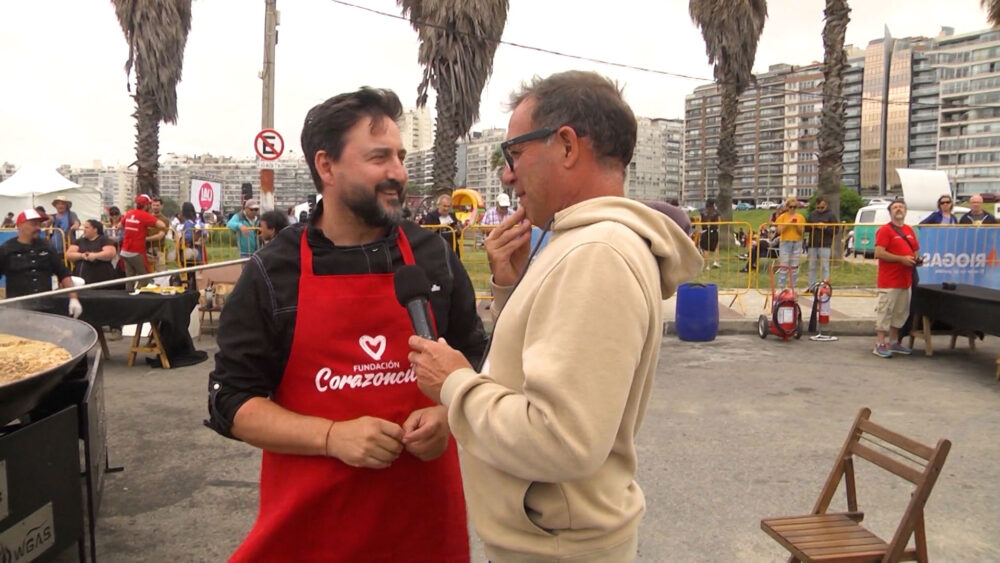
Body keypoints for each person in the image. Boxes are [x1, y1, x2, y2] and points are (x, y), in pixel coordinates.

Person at [407, 70, 703, 562]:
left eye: (514, 153)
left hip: (555, 548)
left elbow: (561, 439)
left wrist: (454, 383)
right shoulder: (580, 242)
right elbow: (544, 368)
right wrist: (512, 289)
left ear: (566, 146)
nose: (507, 175)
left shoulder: (597, 253)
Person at [207, 87, 487, 562]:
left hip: (423, 530)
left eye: (400, 157)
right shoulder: (274, 272)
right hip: (313, 534)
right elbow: (230, 401)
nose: (398, 172)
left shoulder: (432, 256)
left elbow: (476, 356)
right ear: (327, 166)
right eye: (379, 157)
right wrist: (331, 437)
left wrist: (448, 415)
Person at [0, 208, 82, 318]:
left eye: (39, 224)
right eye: (34, 224)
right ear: (20, 226)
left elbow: (63, 273)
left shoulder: (47, 247)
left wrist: (73, 298)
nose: (38, 228)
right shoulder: (6, 249)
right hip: (17, 309)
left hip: (45, 307)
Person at [874, 199, 919, 358]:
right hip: (889, 281)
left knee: (900, 313)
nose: (898, 209)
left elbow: (915, 250)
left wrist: (916, 260)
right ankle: (880, 344)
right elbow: (879, 253)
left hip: (905, 280)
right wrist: (901, 259)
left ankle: (893, 342)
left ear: (905, 211)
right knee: (885, 312)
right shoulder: (885, 230)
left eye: (901, 207)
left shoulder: (909, 230)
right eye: (895, 207)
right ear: (890, 212)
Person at [66, 219, 123, 339]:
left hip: (103, 276)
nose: (84, 229)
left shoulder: (104, 240)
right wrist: (81, 255)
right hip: (83, 277)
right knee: (86, 303)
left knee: (108, 302)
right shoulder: (80, 241)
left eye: (87, 227)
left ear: (95, 229)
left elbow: (110, 253)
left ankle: (115, 328)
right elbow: (69, 254)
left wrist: (95, 256)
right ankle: (89, 329)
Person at [120, 194, 166, 291]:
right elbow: (162, 225)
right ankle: (138, 294)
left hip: (124, 250)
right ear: (146, 205)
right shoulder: (145, 216)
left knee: (130, 277)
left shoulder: (129, 213)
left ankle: (129, 294)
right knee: (145, 277)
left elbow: (120, 225)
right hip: (136, 251)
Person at [806, 196, 838, 288]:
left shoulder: (831, 215)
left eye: (822, 207)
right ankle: (812, 286)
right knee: (812, 266)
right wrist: (814, 226)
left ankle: (825, 286)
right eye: (818, 207)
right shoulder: (812, 214)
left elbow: (836, 230)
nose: (820, 209)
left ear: (826, 205)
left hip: (825, 244)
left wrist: (826, 227)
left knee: (825, 266)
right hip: (813, 243)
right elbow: (806, 228)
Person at [773, 196, 805, 288]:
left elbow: (802, 232)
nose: (792, 209)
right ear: (787, 207)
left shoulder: (800, 217)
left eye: (794, 207)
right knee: (784, 265)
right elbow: (779, 231)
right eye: (790, 207)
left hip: (797, 242)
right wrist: (789, 222)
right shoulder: (782, 217)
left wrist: (797, 225)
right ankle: (781, 287)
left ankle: (793, 287)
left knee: (794, 266)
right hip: (785, 242)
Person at [145, 197, 170, 272]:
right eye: (153, 205)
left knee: (161, 272)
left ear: (162, 206)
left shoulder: (165, 220)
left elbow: (160, 236)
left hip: (159, 249)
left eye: (157, 205)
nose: (155, 207)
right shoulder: (146, 217)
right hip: (145, 248)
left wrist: (145, 239)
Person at [699, 198, 721, 269]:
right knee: (716, 247)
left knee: (706, 249)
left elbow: (700, 221)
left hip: (705, 231)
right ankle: (716, 262)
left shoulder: (702, 212)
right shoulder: (716, 212)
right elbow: (719, 222)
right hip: (714, 231)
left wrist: (700, 230)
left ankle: (707, 265)